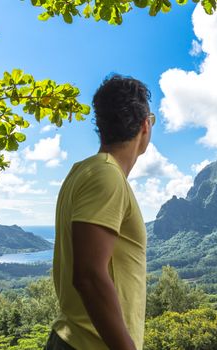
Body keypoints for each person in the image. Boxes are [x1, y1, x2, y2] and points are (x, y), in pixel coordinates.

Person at [45, 75, 154, 350]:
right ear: (145, 126)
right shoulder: (106, 176)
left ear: (101, 127)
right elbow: (89, 276)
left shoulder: (83, 171)